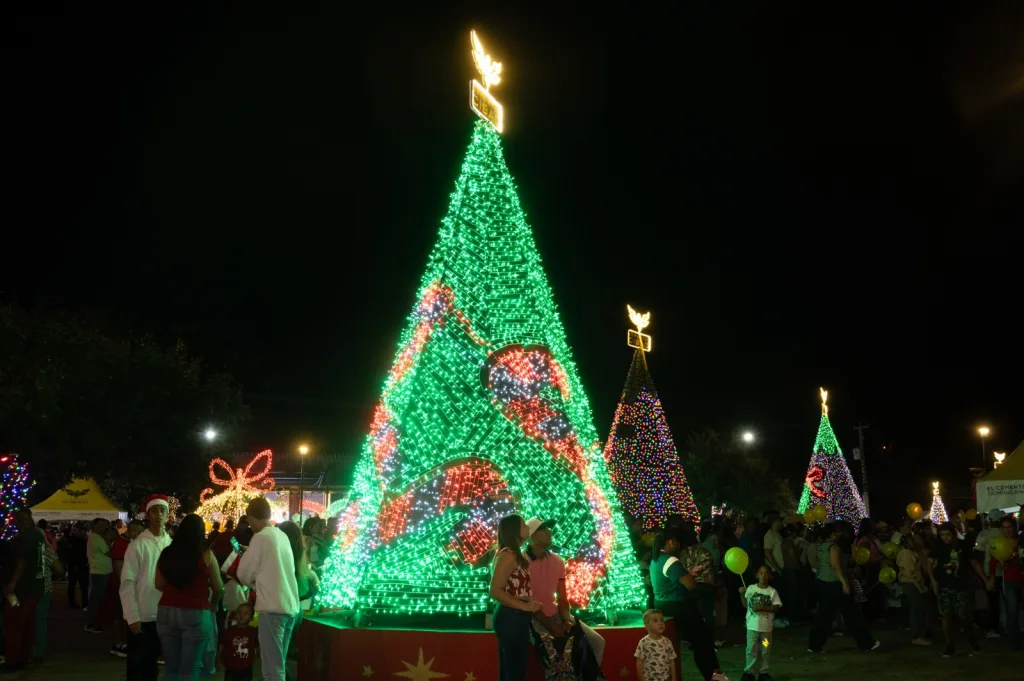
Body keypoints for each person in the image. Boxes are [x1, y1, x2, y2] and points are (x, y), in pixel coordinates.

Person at [524, 517, 604, 679]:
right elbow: (525, 602)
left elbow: (562, 597)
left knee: (597, 642)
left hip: (555, 614)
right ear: (532, 536)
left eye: (549, 527)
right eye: (543, 528)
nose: (549, 531)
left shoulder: (557, 561)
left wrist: (566, 619)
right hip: (531, 617)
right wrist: (553, 627)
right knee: (552, 651)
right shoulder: (521, 562)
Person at [650, 528, 728, 681]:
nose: (677, 545)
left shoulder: (656, 559)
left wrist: (687, 573)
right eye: (676, 542)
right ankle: (714, 675)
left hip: (662, 604)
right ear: (671, 541)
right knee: (703, 642)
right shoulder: (671, 560)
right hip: (679, 606)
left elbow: (671, 579)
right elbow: (690, 585)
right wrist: (692, 576)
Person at [236, 497, 300, 681]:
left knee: (272, 670)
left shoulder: (260, 537)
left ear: (251, 517)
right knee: (278, 664)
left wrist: (253, 579)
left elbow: (244, 574)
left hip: (272, 609)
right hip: (289, 608)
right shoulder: (281, 535)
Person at [154, 513, 223, 681]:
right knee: (190, 669)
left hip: (166, 611)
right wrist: (213, 605)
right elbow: (218, 587)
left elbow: (158, 584)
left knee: (171, 668)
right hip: (197, 612)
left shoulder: (167, 553)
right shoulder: (206, 554)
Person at [121, 494, 173, 681]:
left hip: (165, 614)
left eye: (162, 511)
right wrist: (132, 615)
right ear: (148, 515)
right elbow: (127, 582)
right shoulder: (137, 545)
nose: (158, 515)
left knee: (154, 667)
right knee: (139, 666)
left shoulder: (170, 544)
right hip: (143, 615)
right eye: (154, 511)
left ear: (167, 514)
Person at [806, 522, 879, 653]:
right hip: (835, 584)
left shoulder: (821, 546)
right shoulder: (834, 547)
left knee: (824, 615)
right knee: (852, 614)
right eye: (837, 533)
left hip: (823, 582)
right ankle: (866, 643)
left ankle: (814, 645)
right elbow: (836, 567)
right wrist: (844, 582)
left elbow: (825, 564)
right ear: (832, 534)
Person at [489, 514, 542, 681]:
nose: (528, 527)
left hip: (515, 617)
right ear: (515, 531)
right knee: (514, 672)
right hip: (510, 617)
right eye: (523, 525)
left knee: (512, 671)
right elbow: (495, 591)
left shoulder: (515, 554)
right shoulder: (508, 555)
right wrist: (524, 606)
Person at [925, 521, 981, 658]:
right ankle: (949, 645)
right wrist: (933, 581)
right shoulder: (938, 547)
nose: (945, 538)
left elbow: (974, 563)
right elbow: (929, 564)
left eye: (948, 535)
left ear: (954, 533)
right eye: (942, 535)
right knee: (945, 615)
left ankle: (971, 640)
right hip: (944, 585)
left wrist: (984, 578)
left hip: (960, 586)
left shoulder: (963, 546)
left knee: (964, 615)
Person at [1, 510, 45, 673]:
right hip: (35, 585)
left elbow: (21, 563)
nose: (14, 523)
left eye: (16, 520)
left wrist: (12, 583)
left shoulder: (24, 538)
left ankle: (13, 660)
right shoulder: (38, 536)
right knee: (26, 623)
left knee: (14, 623)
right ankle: (23, 657)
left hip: (23, 588)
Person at [277, 521, 320, 681]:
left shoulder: (282, 556)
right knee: (280, 657)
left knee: (276, 660)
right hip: (297, 609)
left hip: (283, 608)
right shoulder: (300, 554)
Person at [107, 519, 144, 658]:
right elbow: (119, 569)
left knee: (124, 615)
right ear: (133, 530)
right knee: (121, 615)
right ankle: (121, 643)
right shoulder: (121, 544)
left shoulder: (129, 543)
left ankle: (123, 642)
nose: (140, 535)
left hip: (126, 585)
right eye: (139, 532)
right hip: (120, 585)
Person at [739, 565, 781, 681]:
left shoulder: (772, 592)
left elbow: (775, 607)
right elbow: (745, 605)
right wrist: (742, 594)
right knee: (750, 650)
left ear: (770, 576)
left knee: (765, 649)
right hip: (752, 628)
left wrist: (762, 608)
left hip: (766, 630)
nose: (763, 575)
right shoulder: (751, 589)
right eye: (761, 573)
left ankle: (763, 672)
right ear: (757, 575)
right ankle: (749, 672)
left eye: (766, 573)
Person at [33, 525, 63, 663]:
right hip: (44, 587)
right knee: (40, 620)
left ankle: (26, 649)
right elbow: (59, 569)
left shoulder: (18, 547)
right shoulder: (46, 549)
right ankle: (38, 651)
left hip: (24, 589)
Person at [991, 516, 1021, 651]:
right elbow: (994, 561)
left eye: (1009, 527)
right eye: (1004, 528)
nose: (1007, 530)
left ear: (1015, 527)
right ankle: (1014, 641)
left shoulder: (1021, 541)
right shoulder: (999, 543)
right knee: (1012, 611)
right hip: (1010, 581)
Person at [218, 602, 258, 681]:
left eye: (246, 614)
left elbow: (257, 647)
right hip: (230, 667)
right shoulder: (229, 631)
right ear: (235, 615)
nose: (242, 616)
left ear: (251, 617)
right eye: (239, 613)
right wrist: (218, 659)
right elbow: (222, 645)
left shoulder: (253, 632)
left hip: (246, 668)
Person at [634, 609, 676, 681]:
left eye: (662, 620)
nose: (660, 623)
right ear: (647, 626)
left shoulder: (667, 641)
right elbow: (639, 663)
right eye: (655, 621)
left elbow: (671, 661)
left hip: (666, 678)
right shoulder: (644, 642)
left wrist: (674, 678)